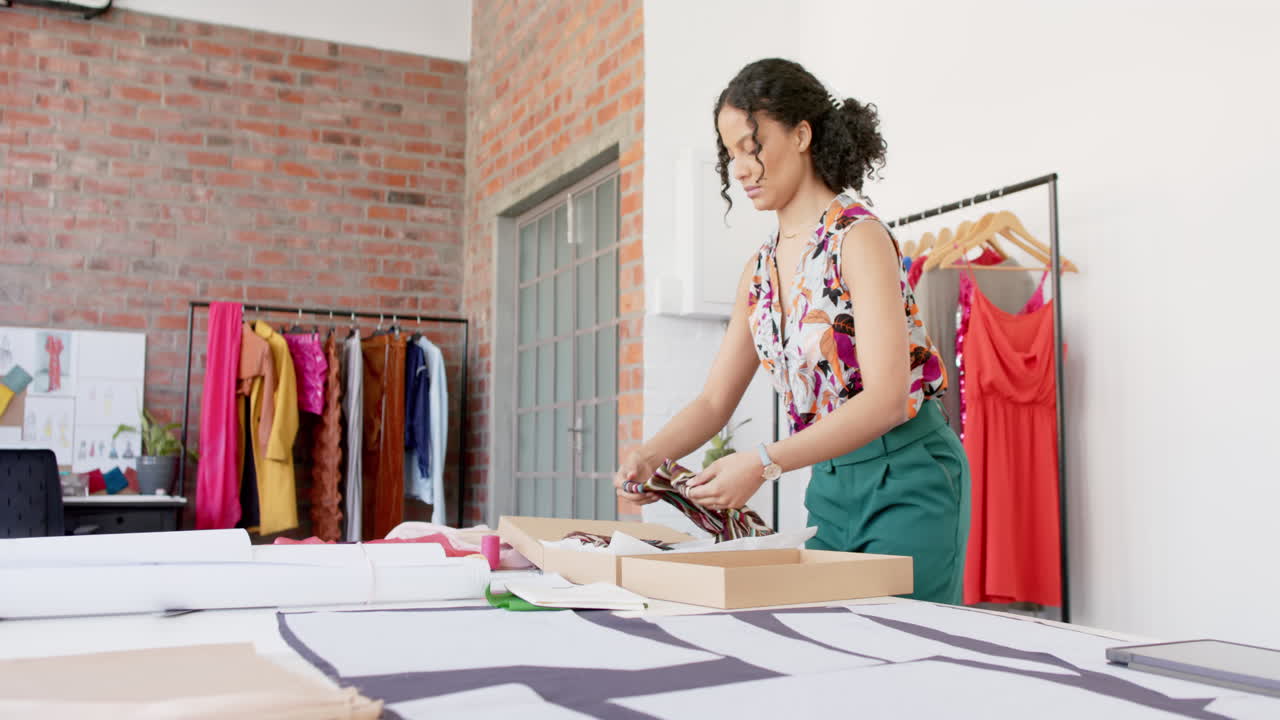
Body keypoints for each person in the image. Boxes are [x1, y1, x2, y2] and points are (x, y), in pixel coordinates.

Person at [613, 58, 970, 604]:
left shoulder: (859, 238)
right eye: (730, 152)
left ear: (802, 134)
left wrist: (761, 464)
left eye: (751, 145)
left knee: (905, 658)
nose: (741, 168)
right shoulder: (758, 271)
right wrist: (648, 455)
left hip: (909, 478)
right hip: (829, 487)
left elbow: (888, 401)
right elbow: (713, 402)